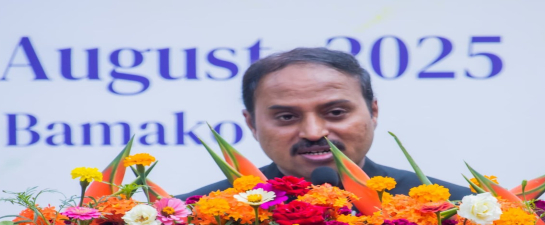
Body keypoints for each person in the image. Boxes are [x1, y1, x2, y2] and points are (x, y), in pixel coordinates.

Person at [177, 47, 470, 202]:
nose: (314, 132)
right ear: (252, 123)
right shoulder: (195, 219)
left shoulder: (455, 210)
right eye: (286, 117)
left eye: (336, 112)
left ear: (373, 112)